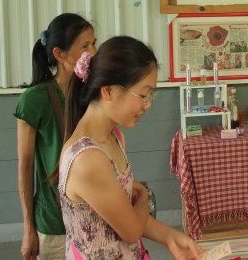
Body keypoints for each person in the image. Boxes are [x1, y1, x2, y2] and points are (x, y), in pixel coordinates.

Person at [58, 36, 202, 260]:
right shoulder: (88, 158)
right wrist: (144, 194)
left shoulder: (113, 137)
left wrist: (170, 236)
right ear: (109, 91)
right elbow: (132, 229)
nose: (148, 104)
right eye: (143, 95)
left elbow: (122, 214)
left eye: (150, 95)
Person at [15, 13, 97, 260]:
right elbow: (25, 166)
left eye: (94, 43)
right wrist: (29, 227)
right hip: (53, 221)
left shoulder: (95, 94)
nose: (93, 51)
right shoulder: (34, 100)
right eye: (85, 46)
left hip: (94, 216)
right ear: (60, 54)